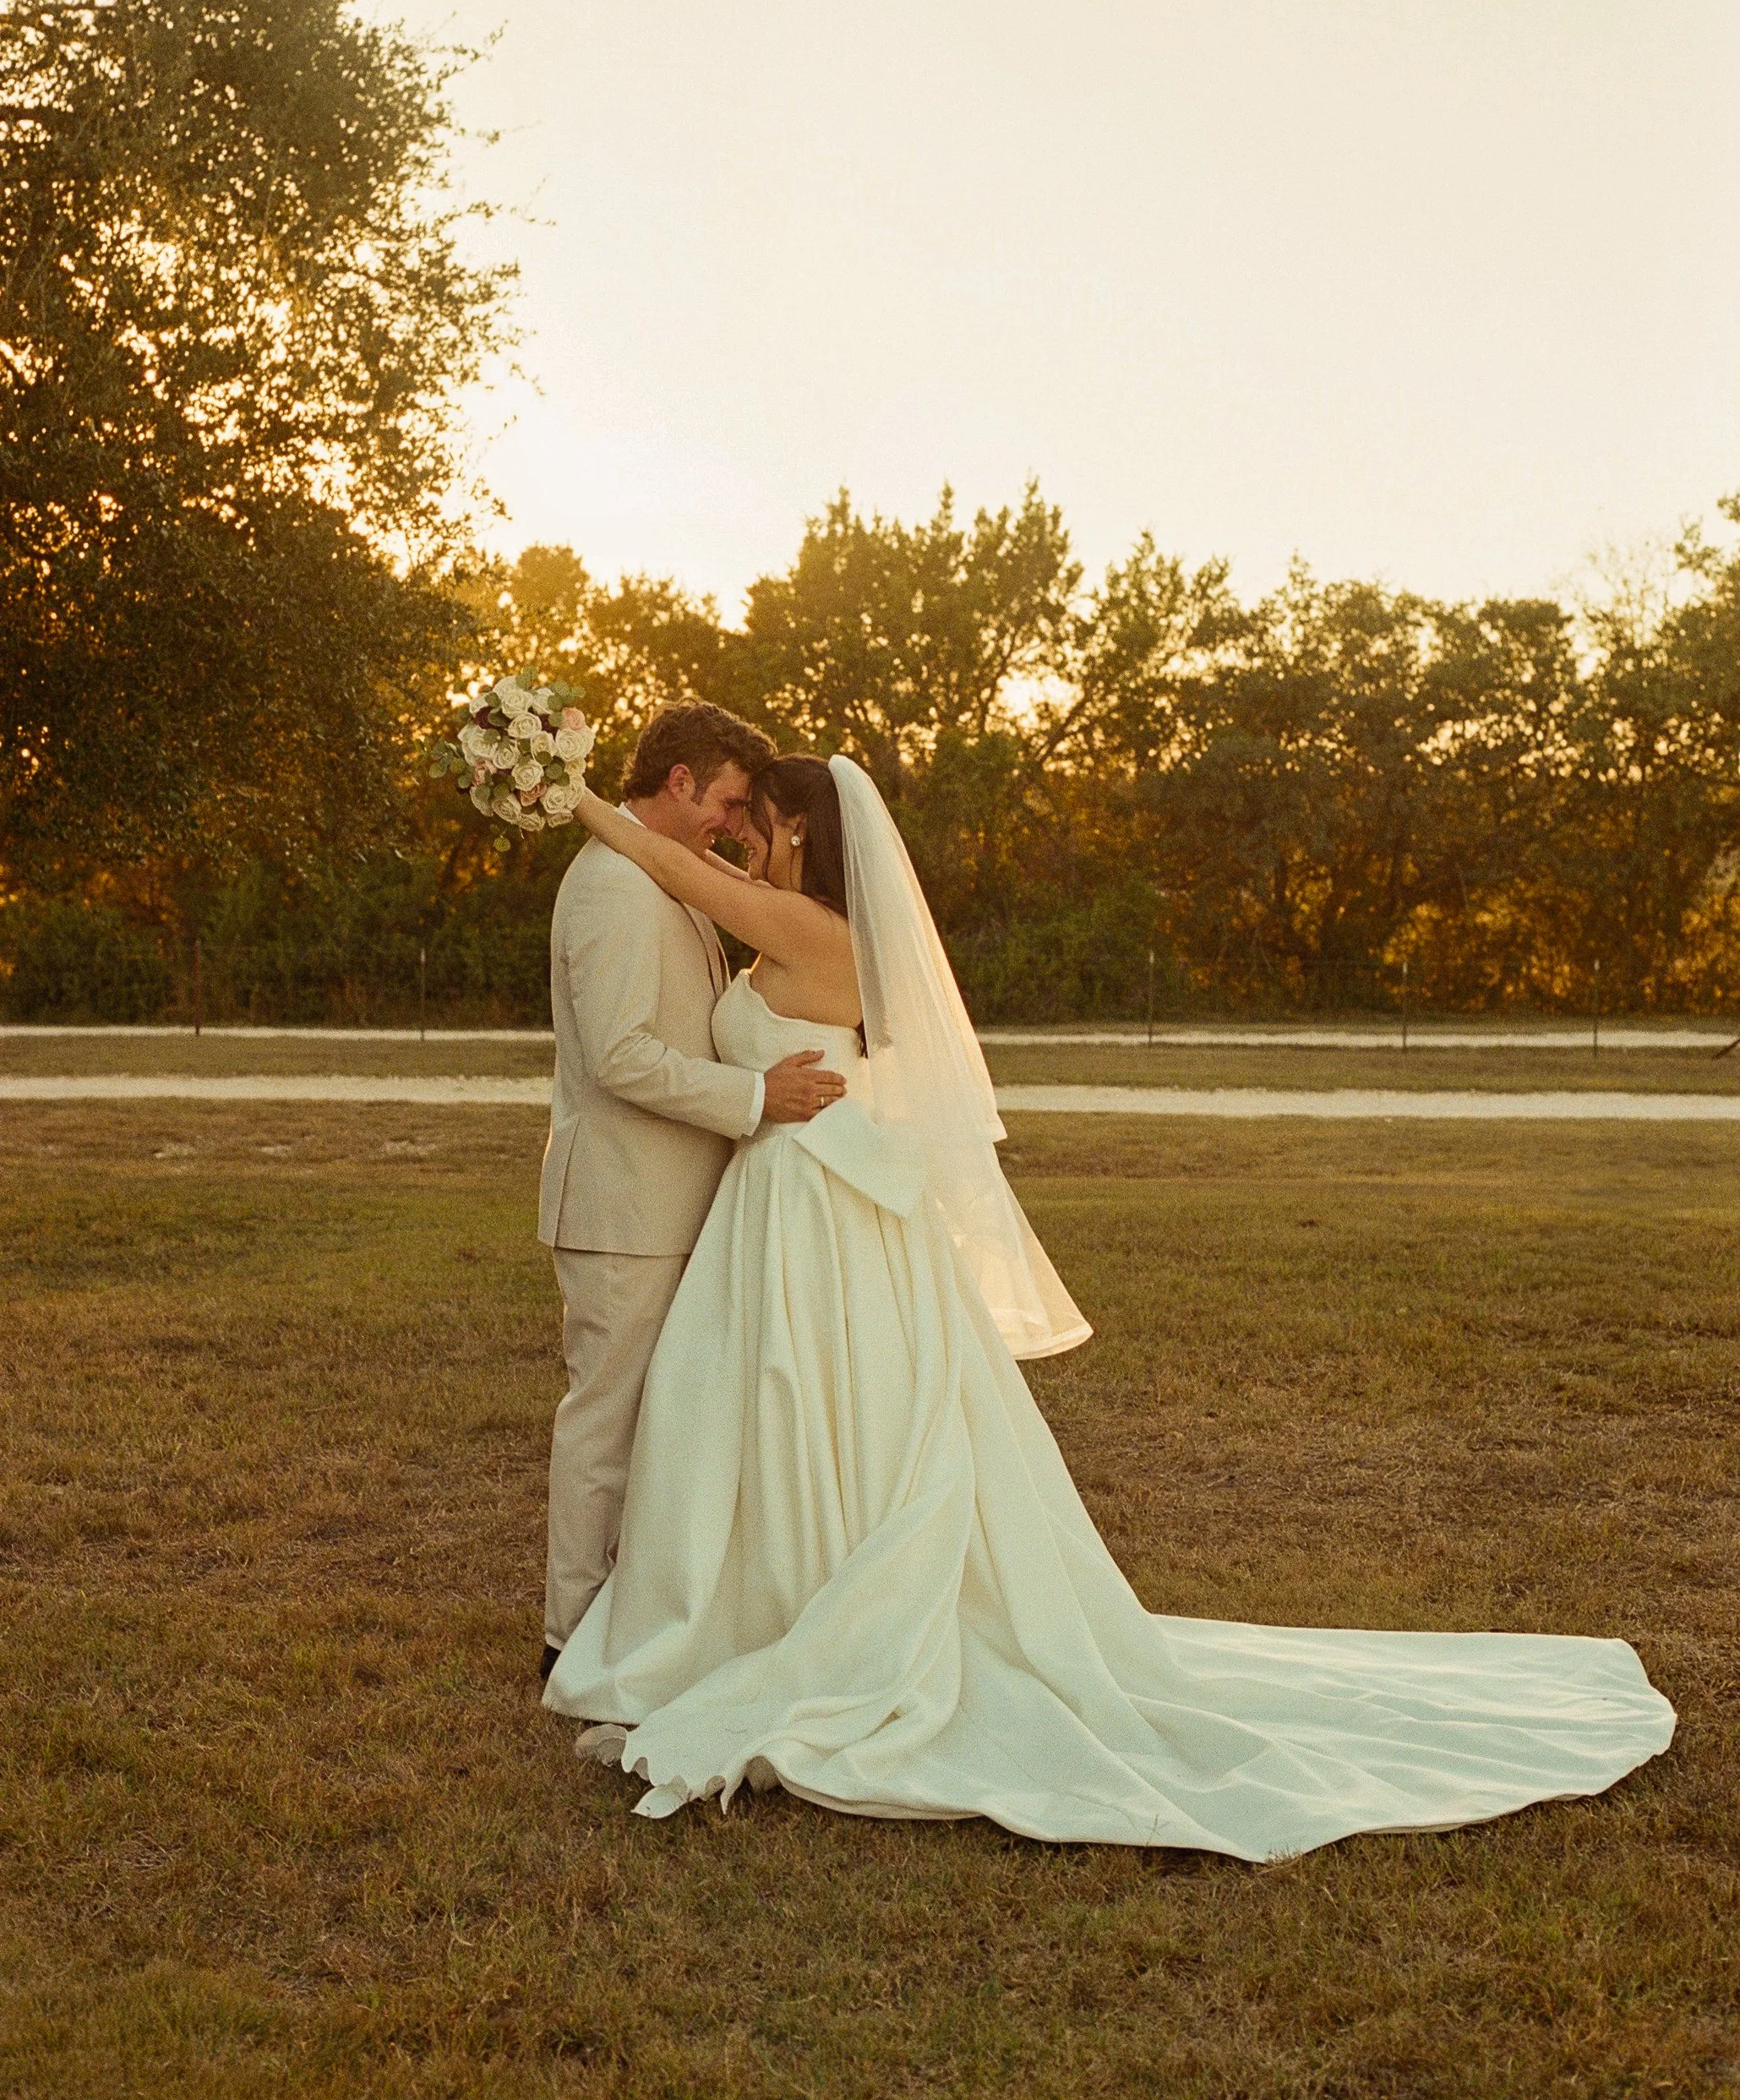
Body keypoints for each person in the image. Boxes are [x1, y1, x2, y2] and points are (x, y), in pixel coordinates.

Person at [543, 750, 1675, 1857]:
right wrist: (719, 845)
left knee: (802, 1411)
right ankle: (754, 1592)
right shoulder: (787, 911)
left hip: (810, 1215)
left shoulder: (809, 932)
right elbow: (716, 883)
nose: (740, 830)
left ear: (798, 830)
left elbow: (690, 876)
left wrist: (566, 791)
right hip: (787, 1207)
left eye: (759, 815)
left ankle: (782, 1613)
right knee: (774, 1417)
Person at [537, 702, 848, 1682]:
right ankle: (568, 1634)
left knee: (670, 1429)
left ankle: (646, 1612)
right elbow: (624, 1055)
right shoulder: (613, 892)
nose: (731, 823)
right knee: (608, 1426)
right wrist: (758, 1094)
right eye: (723, 800)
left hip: (694, 1209)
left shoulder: (667, 881)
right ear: (678, 781)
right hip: (626, 1209)